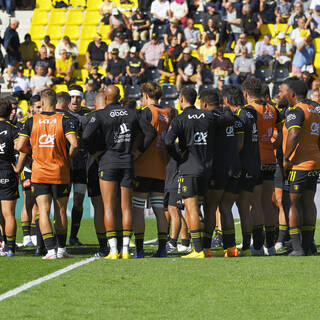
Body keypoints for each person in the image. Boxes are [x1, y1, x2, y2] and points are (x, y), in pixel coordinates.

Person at [83, 85, 156, 259]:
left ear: (106, 98)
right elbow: (150, 132)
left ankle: (113, 251)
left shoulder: (100, 114)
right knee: (126, 207)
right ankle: (125, 250)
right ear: (120, 97)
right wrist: (139, 151)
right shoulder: (132, 113)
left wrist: (94, 152)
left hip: (107, 162)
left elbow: (85, 137)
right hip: (127, 162)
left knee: (108, 206)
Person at [16, 89, 78, 260]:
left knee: (42, 211)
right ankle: (62, 249)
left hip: (39, 172)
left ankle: (50, 250)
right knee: (61, 211)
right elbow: (74, 143)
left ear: (42, 103)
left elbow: (18, 146)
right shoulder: (64, 120)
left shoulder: (30, 121)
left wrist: (31, 152)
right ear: (56, 103)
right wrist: (68, 157)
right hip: (60, 171)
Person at [165, 87, 217, 258]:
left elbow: (168, 142)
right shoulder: (208, 116)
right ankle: (206, 247)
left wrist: (178, 156)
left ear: (181, 99)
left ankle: (198, 250)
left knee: (191, 209)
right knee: (203, 208)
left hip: (189, 169)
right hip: (208, 169)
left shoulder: (180, 119)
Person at [199, 88, 243, 257]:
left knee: (210, 208)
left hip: (218, 169)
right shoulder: (232, 116)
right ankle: (231, 249)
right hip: (235, 167)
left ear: (204, 103)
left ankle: (206, 248)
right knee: (226, 209)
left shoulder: (208, 118)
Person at [132, 82, 174, 258]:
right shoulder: (166, 113)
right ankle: (162, 248)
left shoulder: (147, 112)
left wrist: (136, 153)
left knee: (138, 209)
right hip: (160, 167)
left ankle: (140, 249)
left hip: (143, 166)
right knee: (159, 209)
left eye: (142, 96)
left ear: (147, 96)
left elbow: (145, 135)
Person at [280, 78, 320, 256]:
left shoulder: (296, 111)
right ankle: (309, 244)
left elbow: (294, 133)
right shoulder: (315, 110)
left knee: (293, 203)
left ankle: (297, 247)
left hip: (299, 164)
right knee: (308, 202)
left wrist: (286, 158)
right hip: (314, 162)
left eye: (283, 91)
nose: (282, 95)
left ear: (293, 94)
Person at [242, 77, 282, 256]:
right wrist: (273, 146)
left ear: (246, 94)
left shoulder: (248, 110)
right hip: (270, 160)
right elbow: (282, 133)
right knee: (268, 203)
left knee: (255, 203)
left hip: (254, 160)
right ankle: (270, 246)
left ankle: (257, 246)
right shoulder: (273, 109)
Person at [0, 98, 26, 256]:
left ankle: (2, 244)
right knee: (8, 213)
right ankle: (10, 248)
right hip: (7, 172)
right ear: (10, 112)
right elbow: (23, 149)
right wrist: (18, 168)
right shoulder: (13, 129)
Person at [67, 85, 91, 246]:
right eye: (72, 97)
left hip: (82, 165)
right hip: (65, 164)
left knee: (78, 201)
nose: (75, 100)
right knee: (59, 201)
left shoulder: (88, 114)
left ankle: (73, 236)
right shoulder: (61, 115)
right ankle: (58, 236)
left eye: (78, 97)